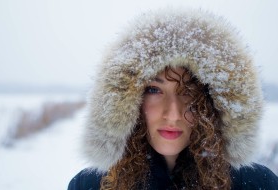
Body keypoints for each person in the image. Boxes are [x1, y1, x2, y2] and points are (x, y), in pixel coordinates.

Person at [68, 8, 278, 189]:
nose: (173, 114)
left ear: (214, 103)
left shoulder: (254, 183)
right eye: (154, 90)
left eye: (189, 91)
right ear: (128, 102)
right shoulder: (90, 185)